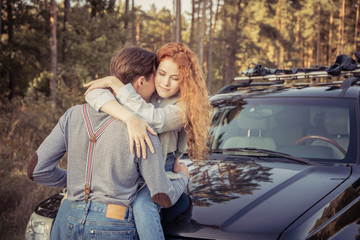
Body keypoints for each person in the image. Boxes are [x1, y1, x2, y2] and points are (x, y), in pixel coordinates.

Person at [27, 46, 189, 240]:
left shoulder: (72, 115)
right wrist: (182, 179)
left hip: (67, 219)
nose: (160, 85)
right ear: (141, 81)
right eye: (157, 76)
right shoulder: (142, 130)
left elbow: (36, 170)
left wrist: (73, 182)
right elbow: (162, 194)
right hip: (113, 224)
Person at [83, 42, 211, 239]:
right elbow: (94, 94)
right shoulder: (148, 94)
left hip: (162, 168)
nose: (165, 82)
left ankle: (178, 199)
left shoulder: (184, 106)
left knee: (143, 205)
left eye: (174, 78)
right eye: (161, 74)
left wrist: (118, 86)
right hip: (134, 167)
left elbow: (156, 121)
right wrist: (114, 90)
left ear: (184, 81)